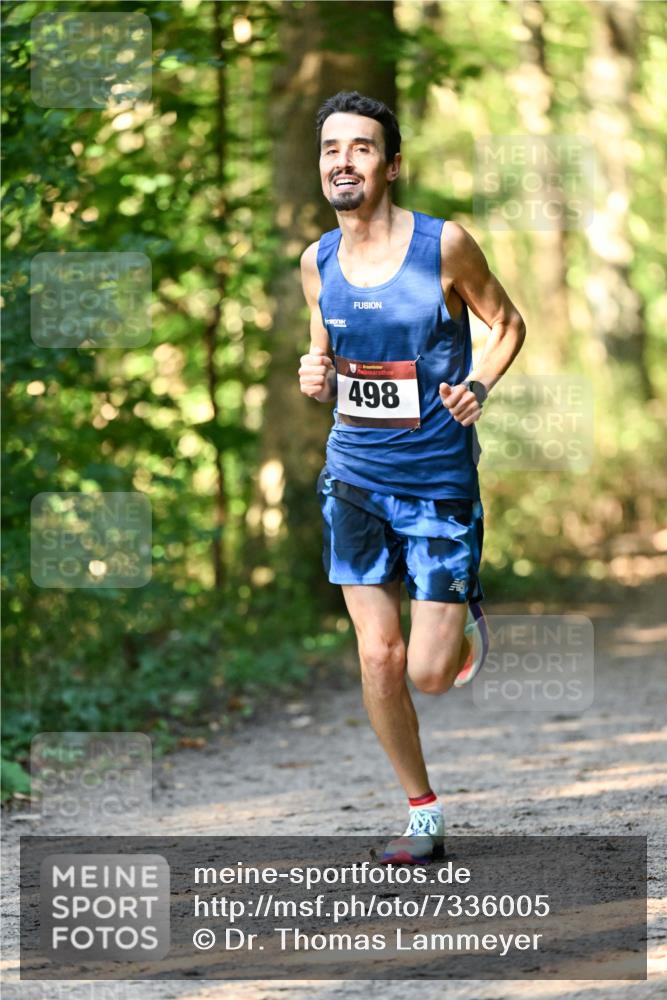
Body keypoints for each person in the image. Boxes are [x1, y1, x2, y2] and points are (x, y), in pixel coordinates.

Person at [297, 91, 526, 864]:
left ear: (390, 165)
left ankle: (456, 621)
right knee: (378, 657)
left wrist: (480, 385)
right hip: (353, 476)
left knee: (428, 674)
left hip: (436, 482)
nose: (343, 161)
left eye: (361, 148)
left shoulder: (444, 246)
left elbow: (507, 323)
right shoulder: (316, 261)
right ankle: (421, 812)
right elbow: (325, 355)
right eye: (331, 148)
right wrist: (315, 372)